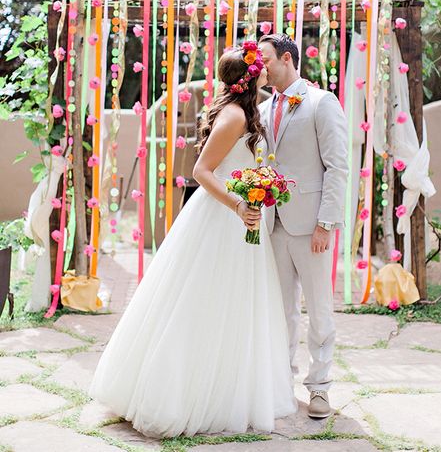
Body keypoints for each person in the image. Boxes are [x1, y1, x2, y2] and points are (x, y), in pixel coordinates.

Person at [90, 42, 297, 438]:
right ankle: (179, 393)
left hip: (240, 220)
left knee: (232, 307)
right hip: (221, 220)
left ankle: (226, 388)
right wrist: (239, 204)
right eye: (262, 68)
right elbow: (202, 170)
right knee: (204, 302)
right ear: (252, 78)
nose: (268, 71)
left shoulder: (245, 113)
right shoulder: (235, 116)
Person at [258, 34, 348, 419]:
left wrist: (326, 223)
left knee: (319, 310)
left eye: (264, 59)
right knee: (281, 310)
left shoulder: (321, 102)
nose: (259, 66)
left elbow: (337, 166)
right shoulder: (262, 110)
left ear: (287, 59)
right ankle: (282, 382)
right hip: (272, 223)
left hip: (312, 226)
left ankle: (320, 388)